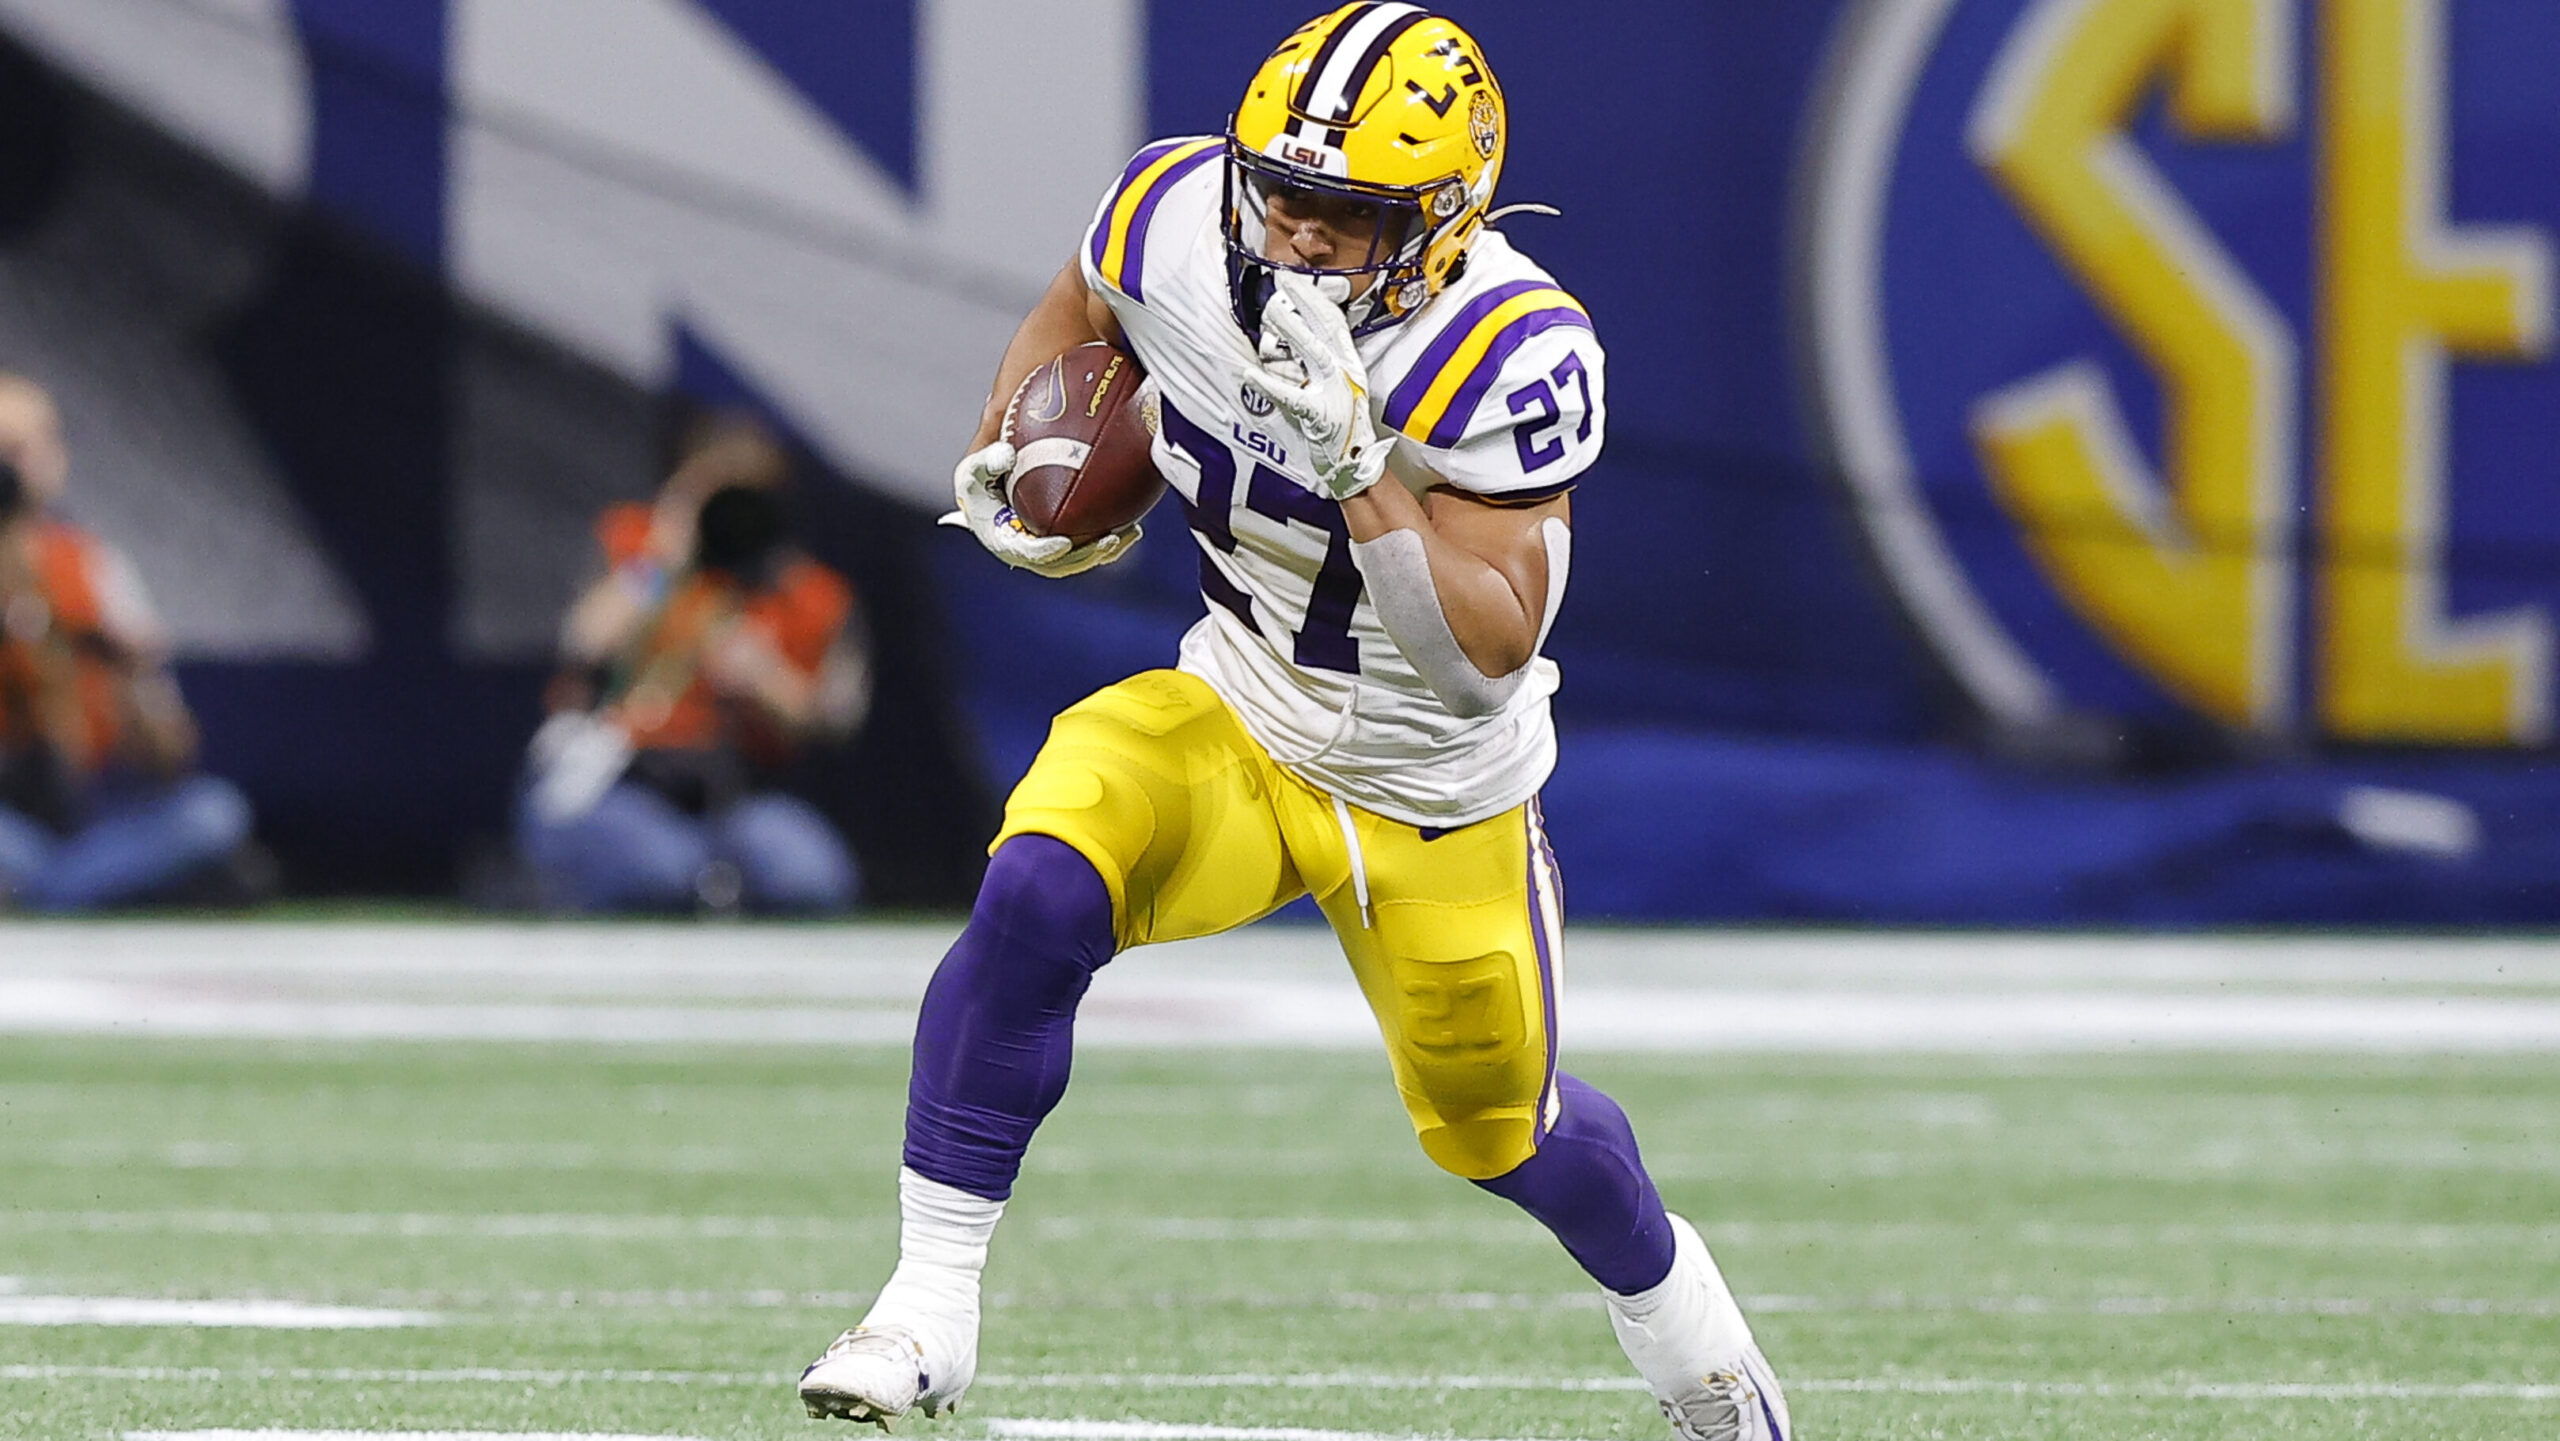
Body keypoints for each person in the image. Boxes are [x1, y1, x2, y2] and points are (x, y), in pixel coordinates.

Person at [797, 7, 1790, 1439]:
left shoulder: (1509, 347)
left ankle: (1690, 1338)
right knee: (1036, 882)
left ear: (1443, 217)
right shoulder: (1173, 215)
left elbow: (1482, 659)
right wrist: (1018, 445)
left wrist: (1361, 469)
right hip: (1242, 707)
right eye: (1285, 192)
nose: (1302, 233)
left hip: (1427, 784)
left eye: (1346, 211)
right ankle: (926, 1305)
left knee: (1509, 1135)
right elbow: (1082, 310)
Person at [517, 414, 869, 914]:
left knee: (810, 880)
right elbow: (585, 643)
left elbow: (822, 722)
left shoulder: (801, 591)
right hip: (616, 780)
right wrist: (667, 558)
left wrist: (761, 677)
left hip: (731, 796)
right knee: (660, 877)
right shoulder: (638, 549)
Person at [0, 373, 257, 909]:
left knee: (213, 813)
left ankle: (56, 891)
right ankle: (67, 890)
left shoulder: (90, 567)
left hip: (93, 808)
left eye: (23, 450)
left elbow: (170, 754)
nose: (10, 469)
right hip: (10, 813)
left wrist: (131, 671)